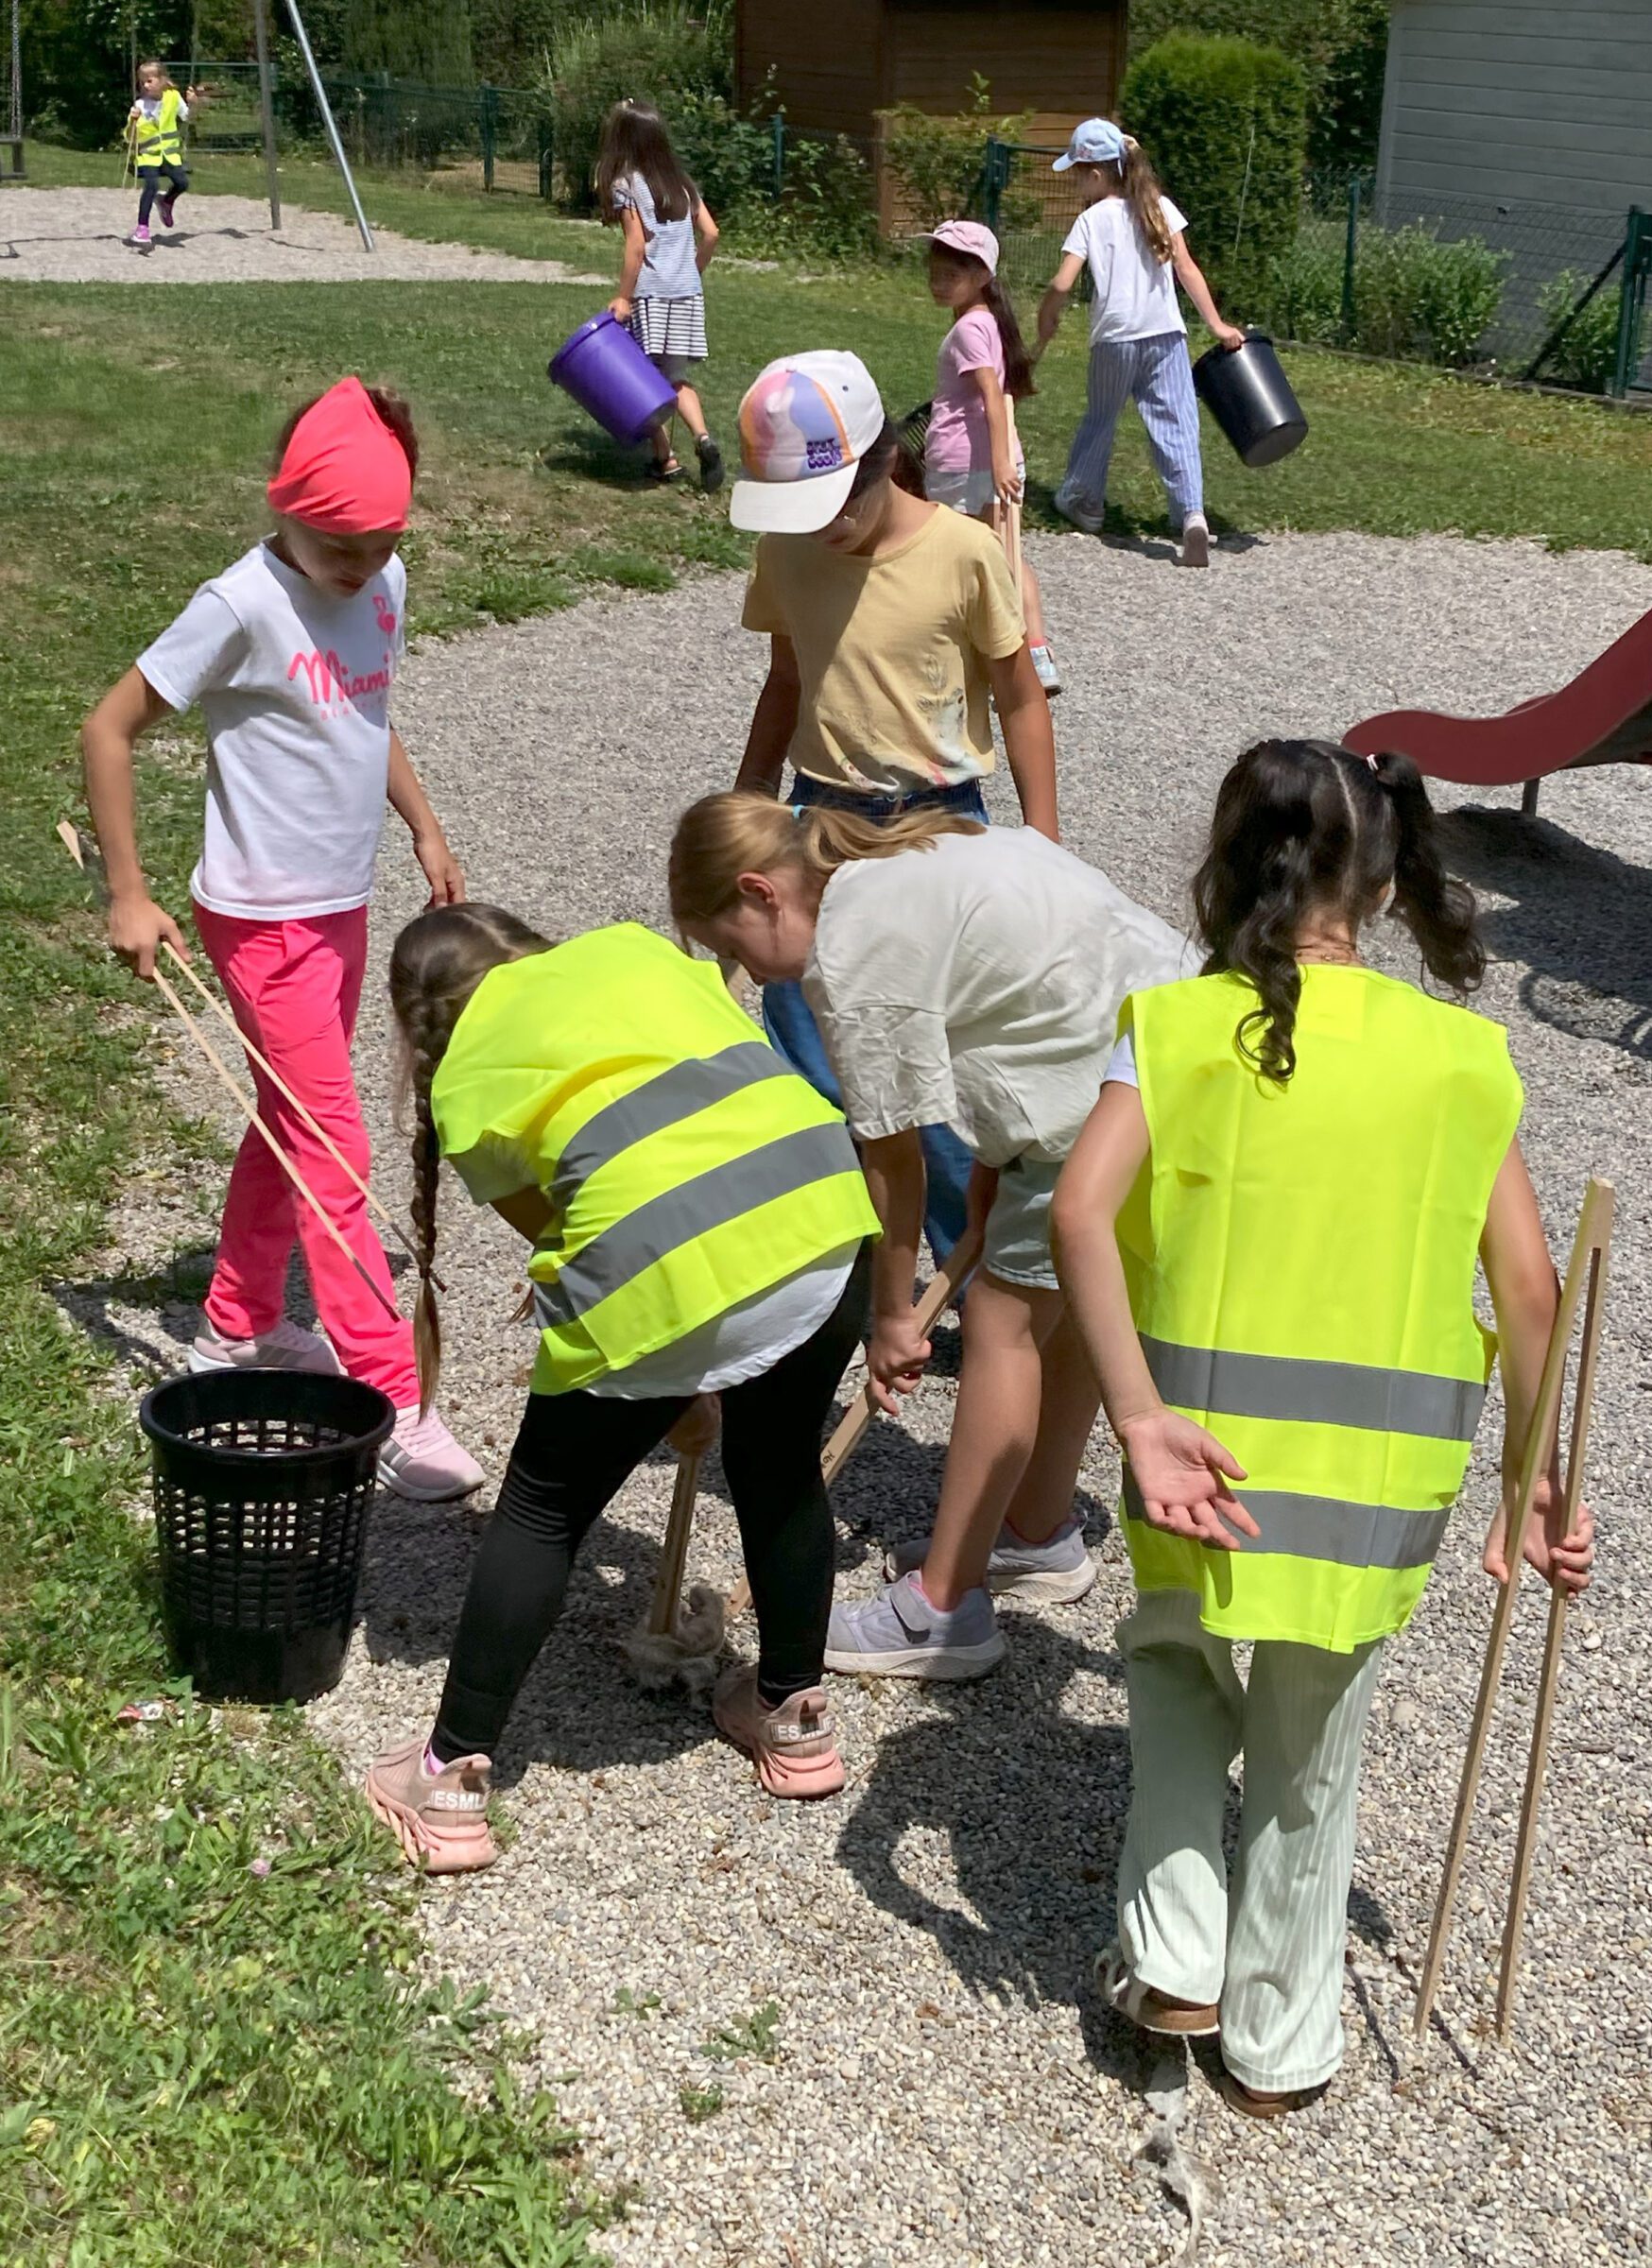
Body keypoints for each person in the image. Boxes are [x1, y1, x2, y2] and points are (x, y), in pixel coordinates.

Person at [1051, 738, 1596, 2117]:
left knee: (1174, 1664)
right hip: (1373, 1477)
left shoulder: (1175, 1026)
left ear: (1234, 868)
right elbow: (1531, 1289)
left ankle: (1176, 1955)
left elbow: (1075, 1215)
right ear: (1392, 872)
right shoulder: (1459, 1056)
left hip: (1196, 1447)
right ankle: (1283, 2045)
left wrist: (1132, 1409)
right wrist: (1529, 1483)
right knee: (1313, 1735)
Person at [365, 904, 880, 1870]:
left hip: (671, 1271)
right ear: (530, 948)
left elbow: (581, 1235)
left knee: (545, 1507)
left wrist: (678, 1375)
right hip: (825, 1217)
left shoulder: (467, 1082)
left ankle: (448, 1780)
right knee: (779, 1470)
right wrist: (696, 1380)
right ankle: (795, 1719)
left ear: (418, 1027)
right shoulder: (634, 950)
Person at [668, 792, 1196, 1680]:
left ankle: (942, 1612)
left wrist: (891, 1318)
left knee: (1002, 1327)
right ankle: (1036, 1533)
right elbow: (1011, 1000)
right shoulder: (885, 870)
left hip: (1096, 1086)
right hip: (1172, 1055)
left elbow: (894, 1164)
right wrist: (994, 1178)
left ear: (762, 893)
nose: (749, 975)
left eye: (732, 947)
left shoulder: (850, 955)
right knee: (1061, 1311)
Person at [81, 375, 484, 1503]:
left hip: (339, 902)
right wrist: (128, 889)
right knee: (333, 1142)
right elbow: (108, 727)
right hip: (258, 918)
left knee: (289, 1120)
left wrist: (423, 822)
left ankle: (237, 1322)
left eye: (383, 543)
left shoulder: (382, 578)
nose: (362, 566)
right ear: (286, 510)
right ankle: (393, 1397)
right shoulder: (240, 604)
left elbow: (364, 711)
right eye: (342, 545)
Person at [730, 349, 1058, 1264]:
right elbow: (787, 681)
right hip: (819, 823)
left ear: (880, 460)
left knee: (928, 1059)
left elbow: (1022, 696)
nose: (819, 527)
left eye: (833, 501)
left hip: (938, 826)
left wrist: (1045, 841)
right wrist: (750, 801)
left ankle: (963, 1260)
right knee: (804, 1035)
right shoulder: (787, 548)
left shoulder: (964, 553)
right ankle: (844, 1251)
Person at [1037, 118, 1244, 566]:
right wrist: (1217, 324)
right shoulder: (1160, 207)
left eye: (1076, 173)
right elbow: (1187, 269)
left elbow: (1062, 281)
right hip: (1166, 335)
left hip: (1114, 340)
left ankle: (1086, 501)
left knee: (1101, 419)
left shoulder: (1090, 220)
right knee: (1177, 423)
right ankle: (1191, 514)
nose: (1075, 183)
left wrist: (1047, 313)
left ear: (1095, 174)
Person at [922, 218, 1058, 696]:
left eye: (951, 274)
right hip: (993, 461)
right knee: (1004, 559)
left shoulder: (970, 328)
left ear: (982, 277)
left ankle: (970, 655)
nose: (939, 282)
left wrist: (999, 462)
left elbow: (990, 394)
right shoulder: (987, 321)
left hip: (964, 464)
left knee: (953, 559)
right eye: (935, 272)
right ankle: (1035, 655)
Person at [597, 98, 723, 490]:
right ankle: (703, 437)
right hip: (686, 294)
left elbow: (636, 245)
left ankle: (665, 458)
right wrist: (691, 274)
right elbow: (712, 233)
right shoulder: (682, 183)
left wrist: (623, 297)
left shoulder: (625, 184)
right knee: (675, 376)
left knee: (642, 379)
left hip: (650, 296)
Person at [126, 59, 207, 252]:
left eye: (150, 80)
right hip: (147, 156)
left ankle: (166, 201)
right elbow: (129, 136)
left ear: (162, 80)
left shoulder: (173, 97)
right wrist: (133, 121)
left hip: (169, 155)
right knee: (152, 185)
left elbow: (189, 118)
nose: (145, 85)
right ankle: (142, 229)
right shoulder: (140, 104)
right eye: (142, 81)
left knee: (182, 183)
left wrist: (195, 104)